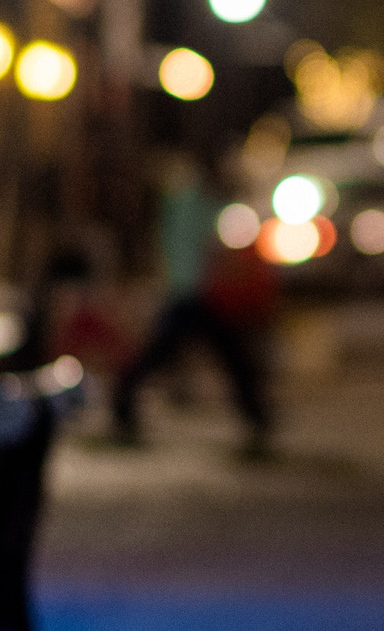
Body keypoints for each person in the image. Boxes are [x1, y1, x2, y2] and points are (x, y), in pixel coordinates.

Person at [113, 151, 275, 455]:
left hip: (189, 293)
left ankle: (123, 404)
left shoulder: (179, 203)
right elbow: (223, 246)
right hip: (196, 295)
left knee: (181, 354)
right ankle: (257, 417)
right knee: (226, 357)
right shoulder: (199, 205)